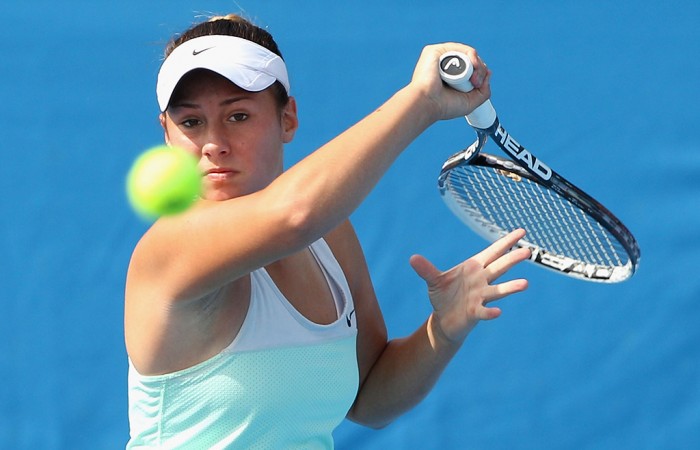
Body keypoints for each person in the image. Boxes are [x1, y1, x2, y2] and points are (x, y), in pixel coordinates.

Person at [124, 13, 531, 449]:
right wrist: (421, 101)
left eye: (238, 116)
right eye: (190, 122)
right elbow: (294, 214)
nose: (213, 143)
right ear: (166, 134)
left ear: (288, 120)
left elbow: (370, 399)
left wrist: (443, 330)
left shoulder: (328, 235)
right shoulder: (170, 247)